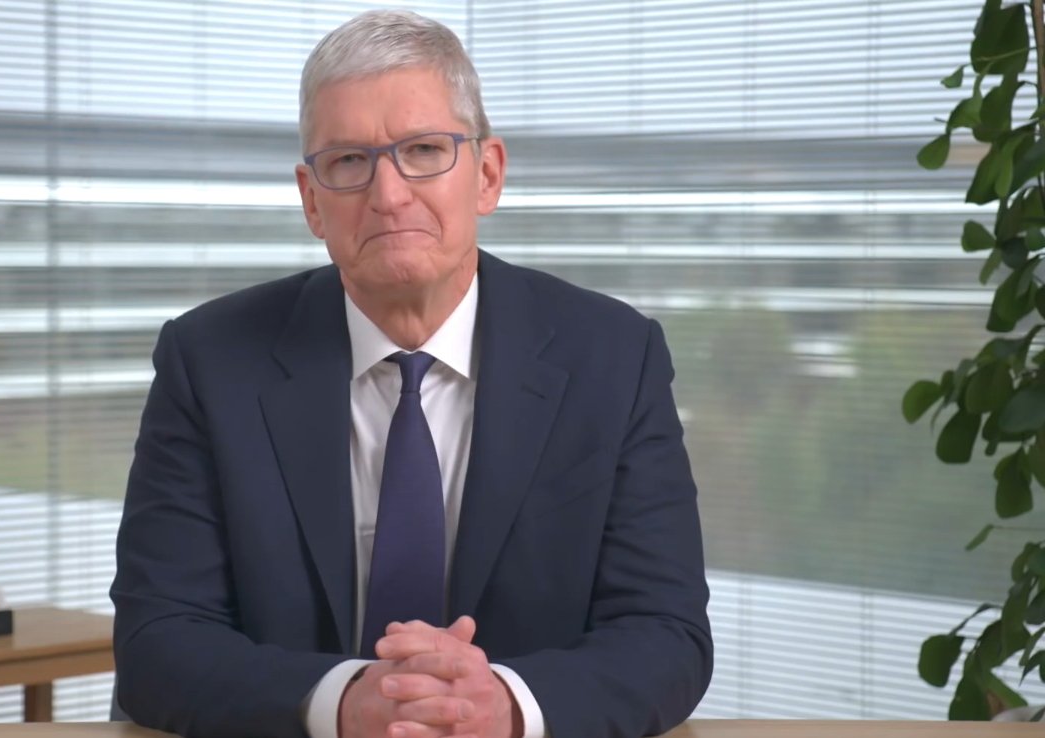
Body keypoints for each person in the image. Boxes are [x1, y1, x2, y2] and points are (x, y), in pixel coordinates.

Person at [110, 9, 712, 738]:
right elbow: (158, 642)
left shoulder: (613, 356)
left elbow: (665, 633)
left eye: (424, 150)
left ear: (487, 175)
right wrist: (346, 699)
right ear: (311, 200)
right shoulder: (209, 360)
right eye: (348, 162)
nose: (389, 195)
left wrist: (504, 705)